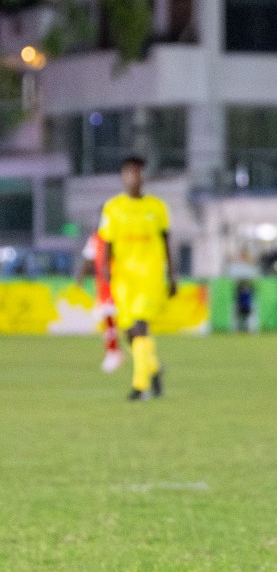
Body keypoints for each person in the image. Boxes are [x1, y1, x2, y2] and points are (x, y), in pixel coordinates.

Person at [98, 156, 177, 400]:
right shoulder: (112, 207)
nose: (134, 177)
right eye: (129, 172)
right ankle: (154, 367)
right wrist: (104, 269)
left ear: (144, 176)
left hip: (149, 276)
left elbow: (166, 241)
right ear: (123, 176)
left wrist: (172, 275)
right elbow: (106, 241)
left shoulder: (157, 207)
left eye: (138, 172)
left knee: (141, 326)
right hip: (124, 279)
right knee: (130, 333)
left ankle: (140, 386)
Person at [73, 229, 122, 372]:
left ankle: (116, 353)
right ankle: (113, 352)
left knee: (117, 322)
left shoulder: (119, 234)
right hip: (104, 286)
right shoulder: (96, 237)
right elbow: (90, 258)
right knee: (109, 320)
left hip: (121, 284)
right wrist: (81, 276)